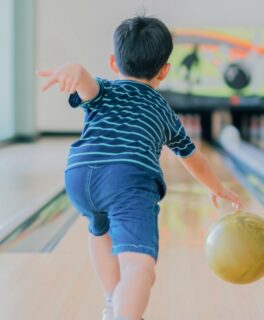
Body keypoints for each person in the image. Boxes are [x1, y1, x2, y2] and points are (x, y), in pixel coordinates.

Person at [37, 16, 241, 320]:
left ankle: (112, 303)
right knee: (140, 266)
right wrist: (218, 188)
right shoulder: (163, 110)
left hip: (79, 175)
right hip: (127, 179)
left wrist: (74, 72)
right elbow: (193, 159)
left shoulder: (104, 90)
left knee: (99, 229)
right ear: (165, 71)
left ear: (113, 61)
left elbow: (84, 81)